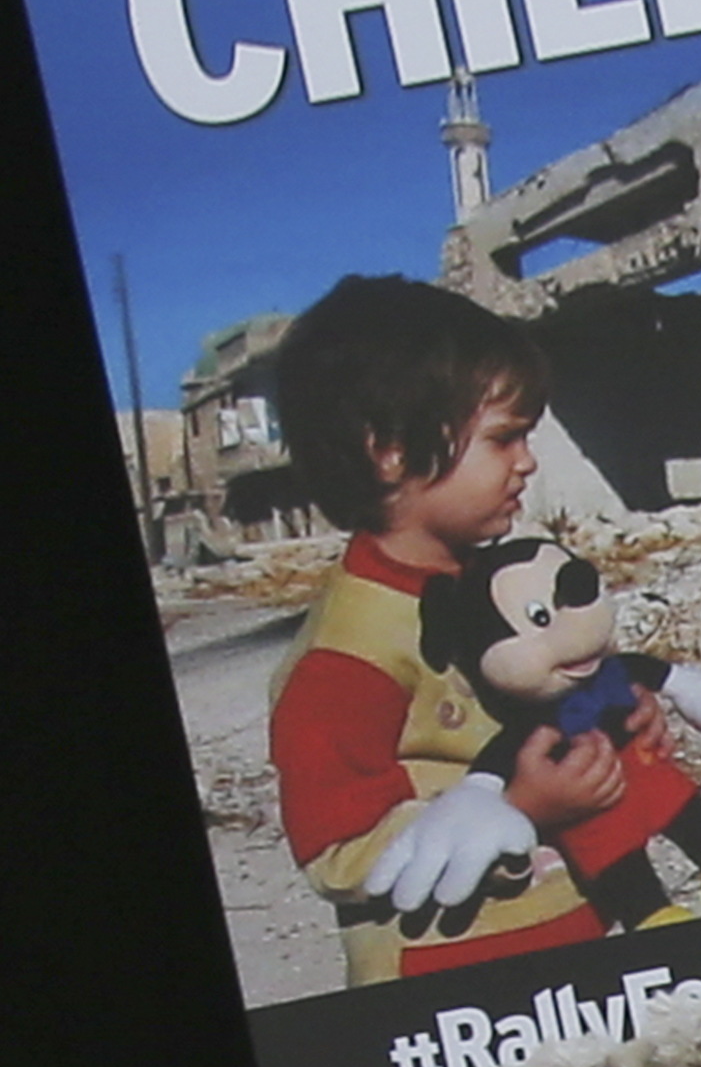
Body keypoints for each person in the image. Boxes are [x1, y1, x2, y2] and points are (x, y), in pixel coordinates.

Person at [258, 275, 660, 982]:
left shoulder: (500, 579)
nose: (527, 462)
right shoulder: (350, 651)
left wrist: (616, 712)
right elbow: (338, 844)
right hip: (454, 990)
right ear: (388, 450)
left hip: (573, 949)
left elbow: (545, 693)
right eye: (504, 439)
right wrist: (519, 809)